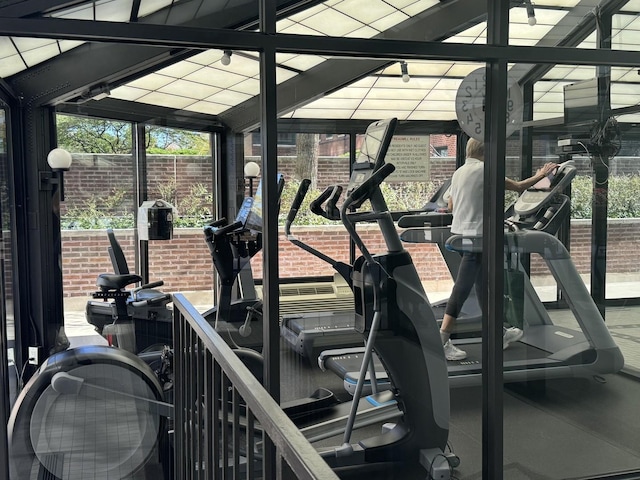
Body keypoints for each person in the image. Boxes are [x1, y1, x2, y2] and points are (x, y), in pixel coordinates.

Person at [440, 138, 558, 361]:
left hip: (462, 235)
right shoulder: (486, 170)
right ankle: (442, 339)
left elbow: (451, 205)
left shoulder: (459, 172)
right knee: (463, 288)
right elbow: (519, 186)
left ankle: (499, 333)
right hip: (479, 237)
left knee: (483, 286)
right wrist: (542, 174)